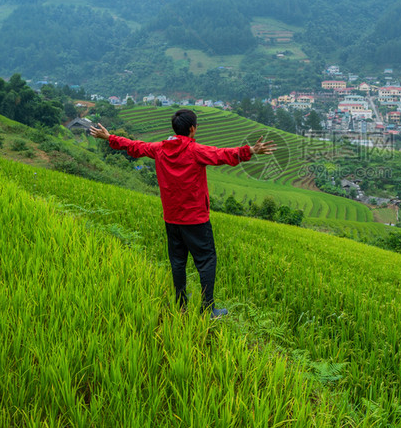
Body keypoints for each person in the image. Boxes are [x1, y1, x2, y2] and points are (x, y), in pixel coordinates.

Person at [90, 109, 276, 318]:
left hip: (172, 218)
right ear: (192, 129)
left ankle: (181, 304)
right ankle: (207, 309)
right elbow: (223, 155)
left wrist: (109, 137)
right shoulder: (195, 150)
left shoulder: (159, 149)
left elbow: (135, 146)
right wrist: (250, 150)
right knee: (206, 260)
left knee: (177, 261)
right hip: (195, 219)